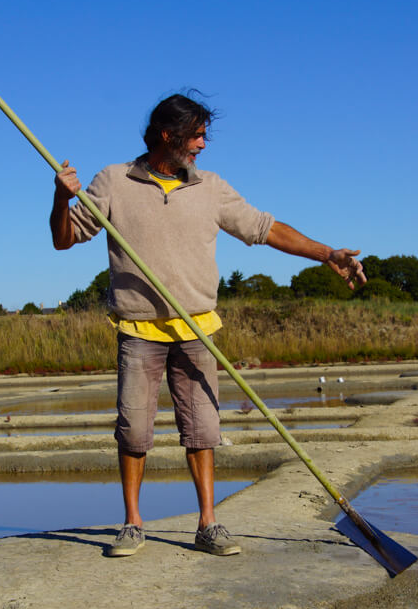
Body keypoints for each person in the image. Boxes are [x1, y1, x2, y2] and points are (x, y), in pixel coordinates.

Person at [51, 93, 365, 558]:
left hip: (198, 331)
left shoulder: (211, 187)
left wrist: (327, 254)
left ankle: (208, 524)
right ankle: (133, 524)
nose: (202, 145)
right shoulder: (114, 180)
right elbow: (64, 239)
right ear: (167, 135)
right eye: (196, 135)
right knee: (134, 431)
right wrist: (61, 196)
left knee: (202, 431)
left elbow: (265, 228)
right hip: (140, 332)